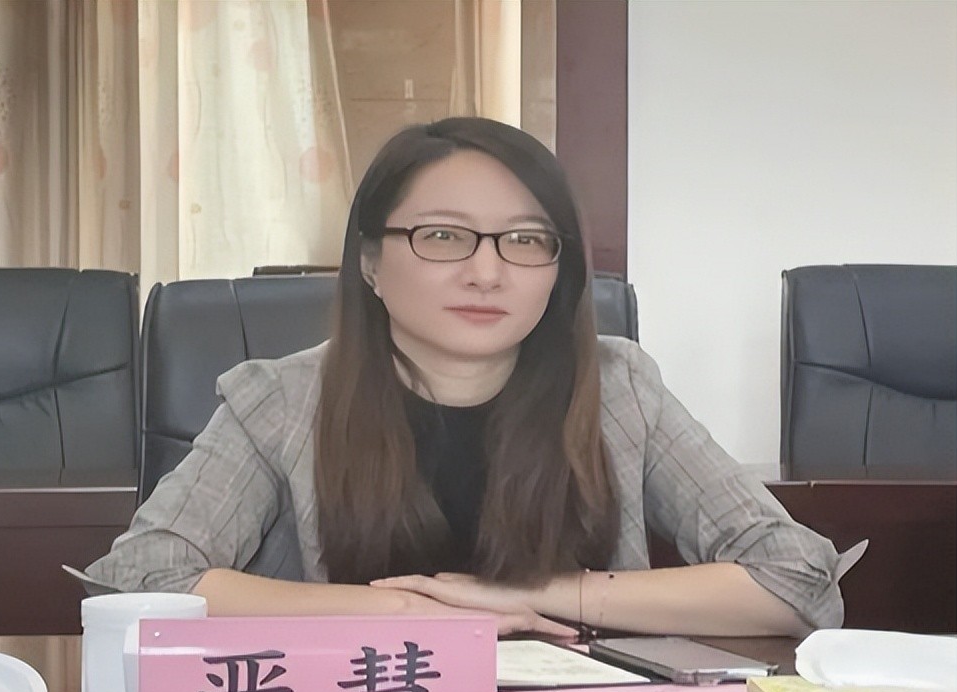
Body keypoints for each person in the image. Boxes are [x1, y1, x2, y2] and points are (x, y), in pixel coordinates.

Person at [87, 117, 844, 637]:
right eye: (444, 236)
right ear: (369, 262)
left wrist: (532, 597)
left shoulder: (620, 389)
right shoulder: (279, 400)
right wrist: (409, 613)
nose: (487, 272)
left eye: (526, 241)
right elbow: (137, 580)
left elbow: (798, 580)